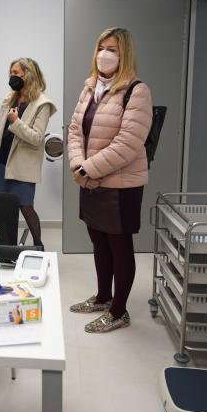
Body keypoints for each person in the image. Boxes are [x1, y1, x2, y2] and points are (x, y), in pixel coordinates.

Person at [66, 27, 153, 333]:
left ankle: (118, 311)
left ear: (124, 54)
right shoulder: (90, 88)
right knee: (99, 242)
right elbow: (74, 130)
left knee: (119, 245)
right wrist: (78, 165)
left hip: (121, 185)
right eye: (102, 48)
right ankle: (103, 297)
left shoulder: (136, 91)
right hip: (90, 180)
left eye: (112, 49)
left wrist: (88, 169)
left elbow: (128, 142)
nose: (105, 54)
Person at [0, 58, 56, 249]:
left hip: (23, 163)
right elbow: (0, 128)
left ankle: (38, 246)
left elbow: (37, 138)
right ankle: (6, 248)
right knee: (1, 207)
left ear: (28, 74)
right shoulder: (10, 98)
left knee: (25, 206)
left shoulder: (42, 104)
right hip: (3, 160)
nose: (12, 77)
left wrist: (16, 122)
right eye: (11, 73)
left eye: (16, 73)